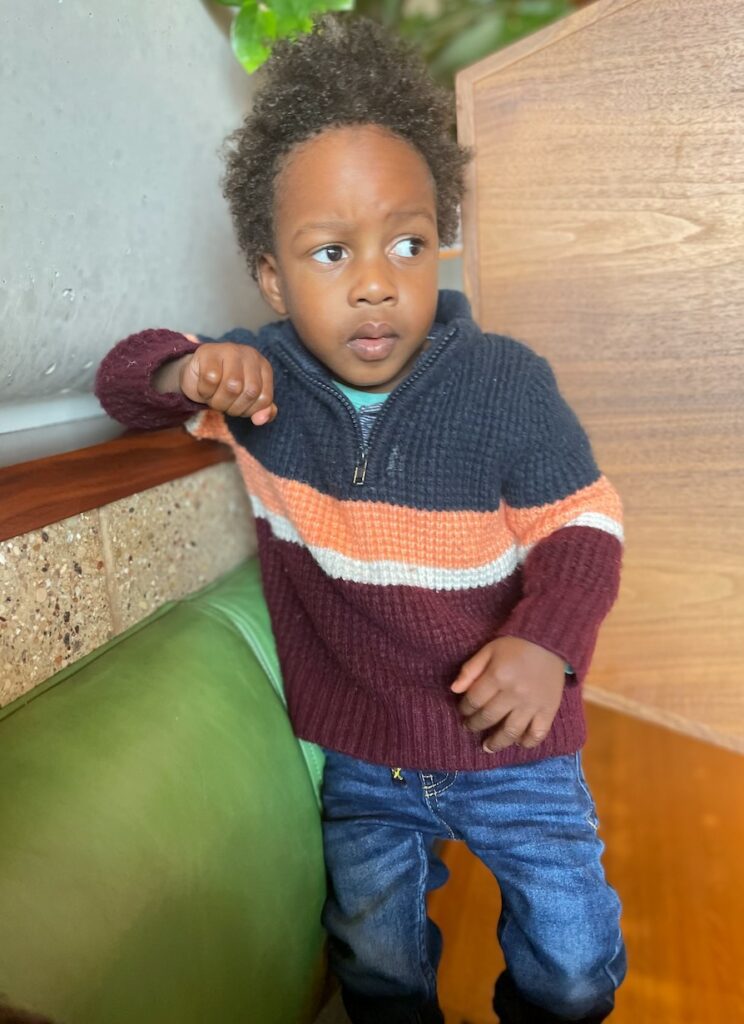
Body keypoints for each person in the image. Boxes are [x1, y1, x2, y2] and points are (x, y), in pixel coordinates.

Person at [95, 15, 626, 1024]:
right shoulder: (262, 392)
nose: (376, 280)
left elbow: (585, 529)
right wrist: (185, 366)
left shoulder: (506, 384)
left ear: (442, 244)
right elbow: (126, 387)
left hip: (518, 748)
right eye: (331, 251)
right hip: (366, 757)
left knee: (576, 966)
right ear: (271, 276)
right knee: (377, 970)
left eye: (408, 242)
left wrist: (547, 644)